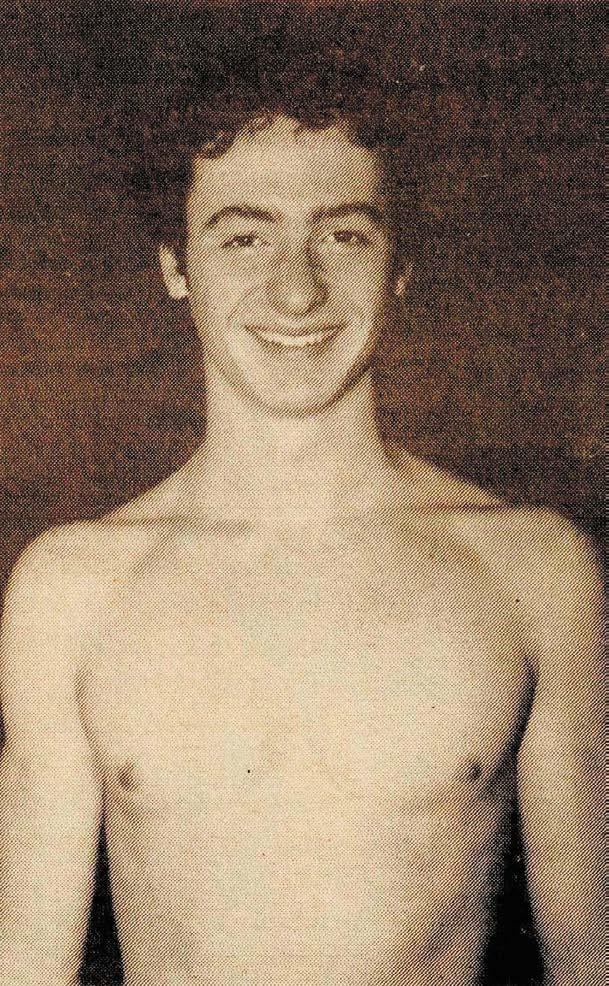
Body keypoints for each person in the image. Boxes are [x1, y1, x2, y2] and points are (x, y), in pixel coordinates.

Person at [0, 13, 602, 986]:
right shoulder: (70, 588)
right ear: (174, 266)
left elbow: (592, 961)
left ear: (400, 263)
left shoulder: (534, 569)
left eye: (343, 234)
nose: (296, 291)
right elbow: (22, 965)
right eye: (244, 237)